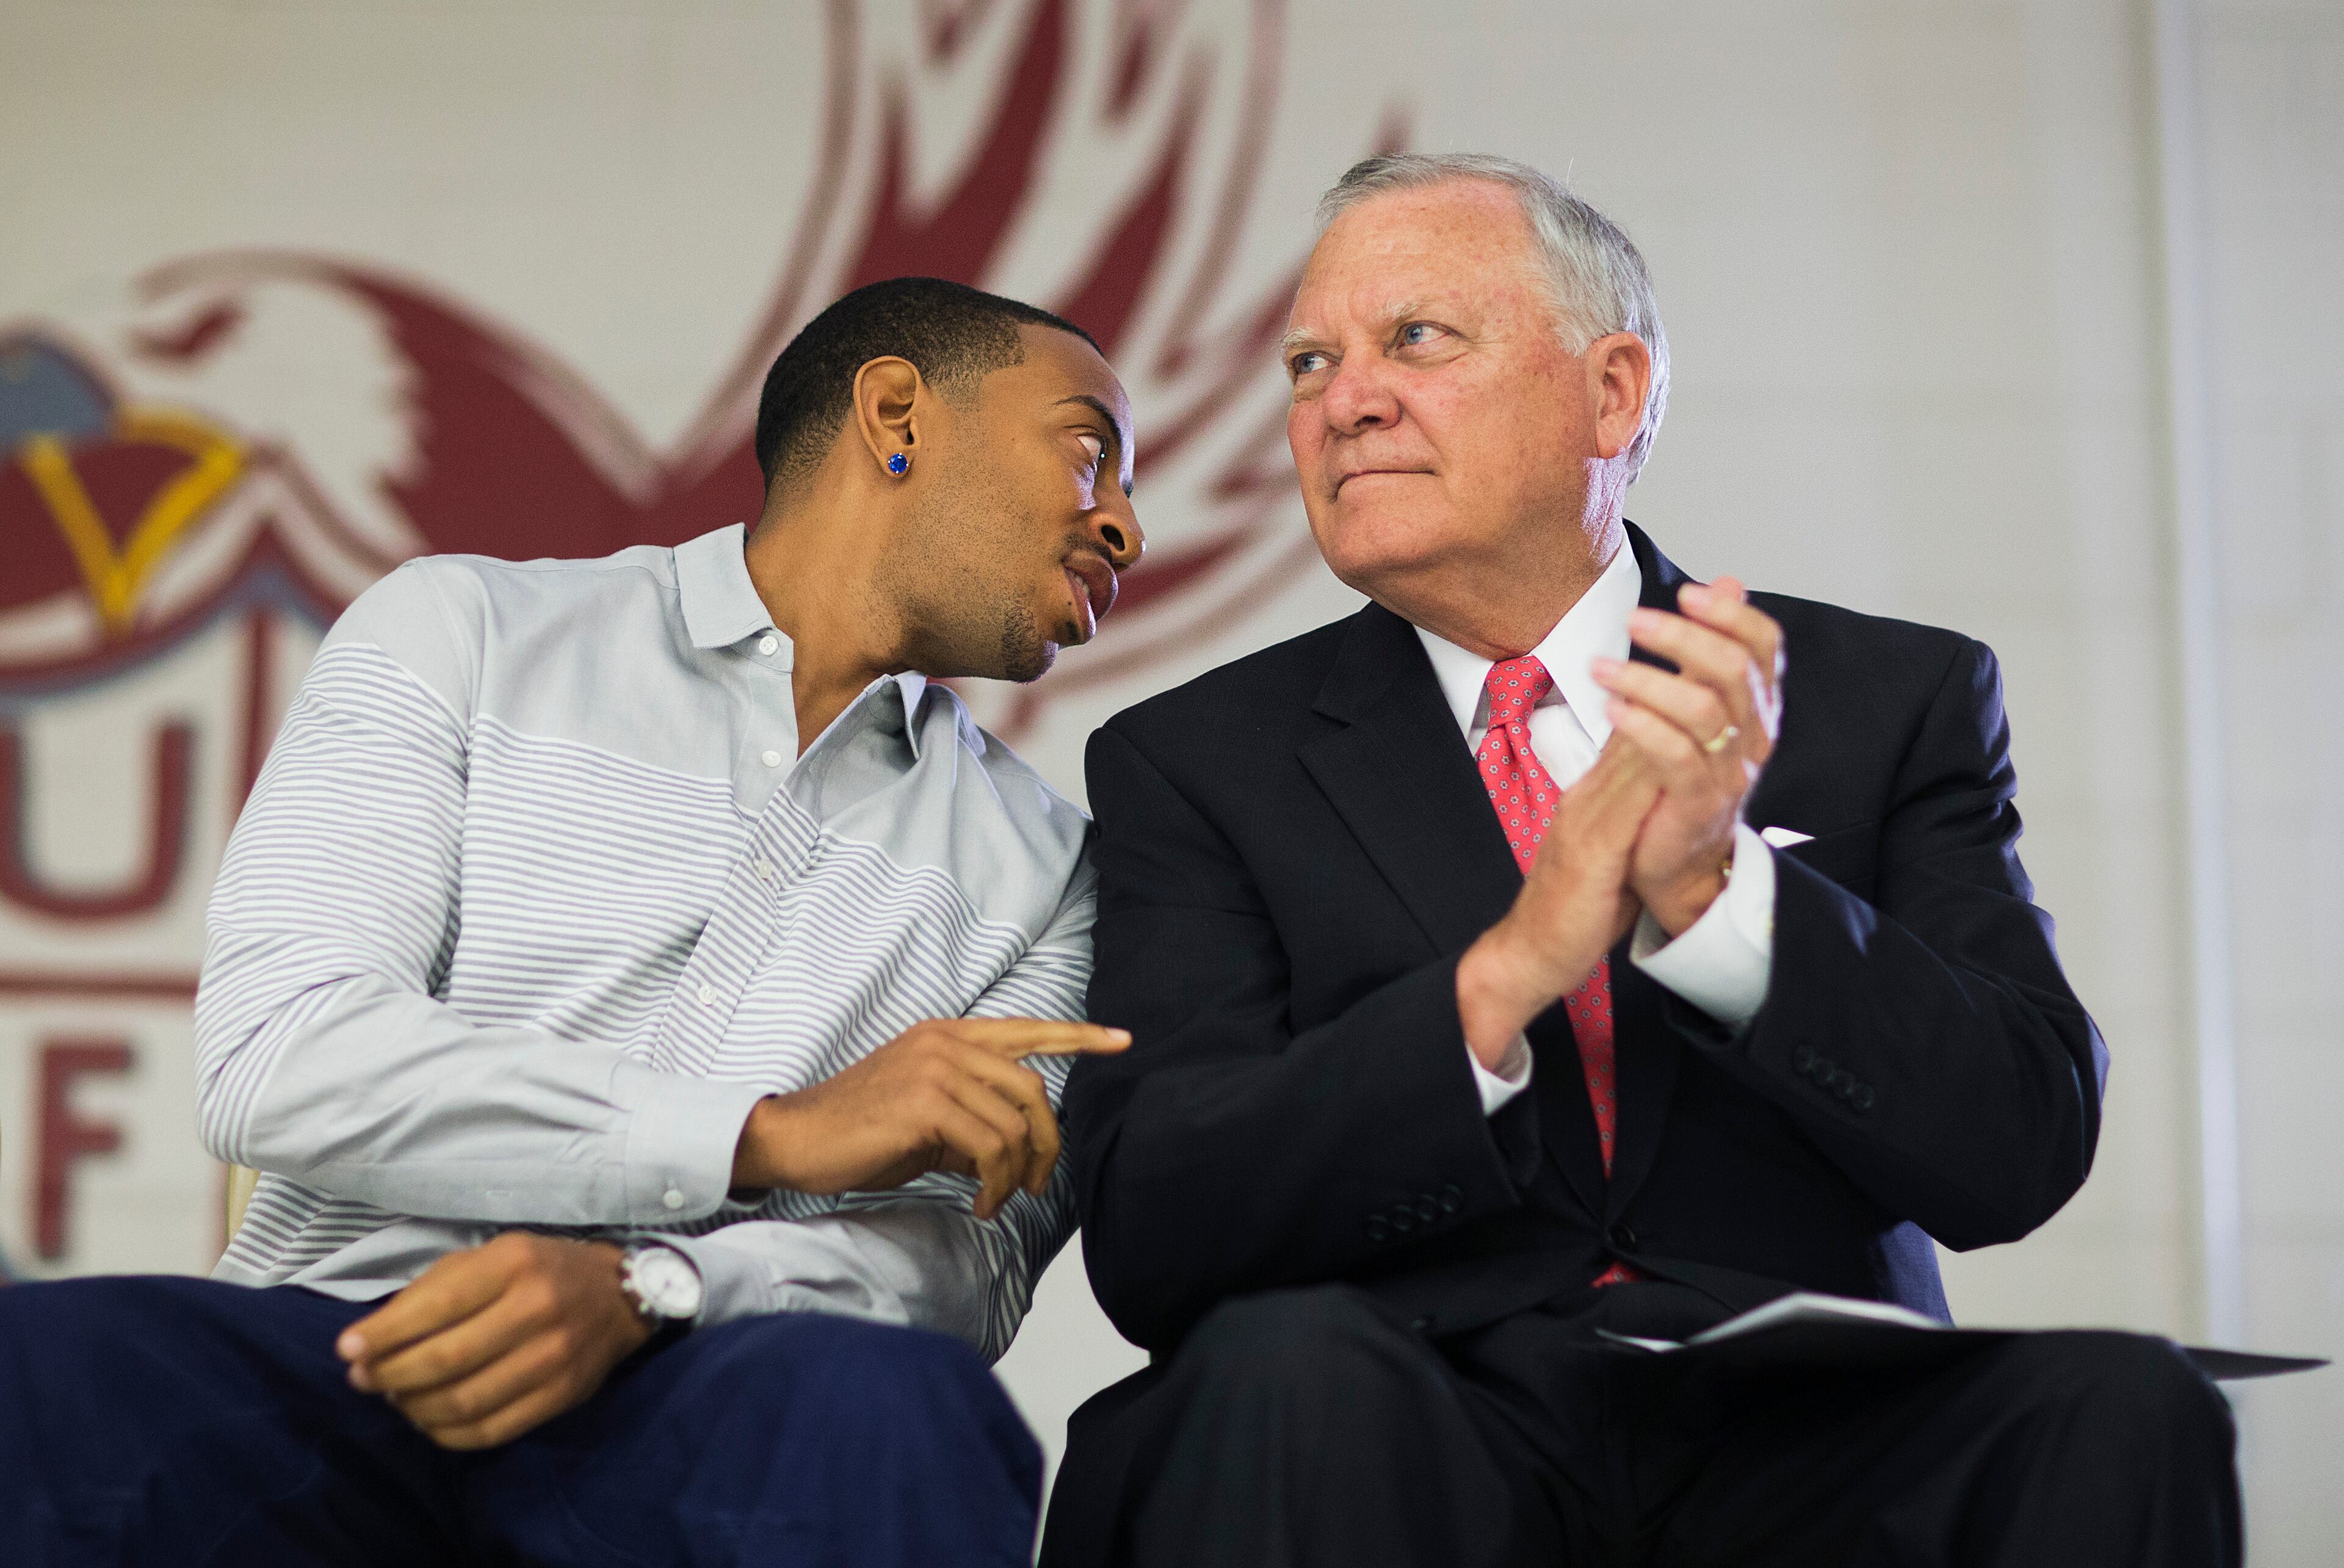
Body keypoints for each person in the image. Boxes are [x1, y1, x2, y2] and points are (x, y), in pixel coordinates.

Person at [1041, 155, 2240, 1568]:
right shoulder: (1196, 758)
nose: (1342, 400)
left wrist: (1720, 901)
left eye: (1415, 339)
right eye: (1310, 361)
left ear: (1612, 392)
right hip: (1409, 1410)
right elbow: (1157, 1226)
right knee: (1284, 1370)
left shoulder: (1874, 696)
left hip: (1804, 1427)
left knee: (2124, 1404)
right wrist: (1499, 983)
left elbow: (2022, 1143)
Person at [0, 276, 1145, 1567]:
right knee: (37, 1377)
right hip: (339, 1350)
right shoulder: (466, 631)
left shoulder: (1053, 870)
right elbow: (283, 1053)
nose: (1125, 527)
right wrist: (763, 1139)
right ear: (897, 415)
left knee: (900, 1412)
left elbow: (969, 1268)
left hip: (706, 1393)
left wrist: (656, 1290)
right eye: (1089, 452)